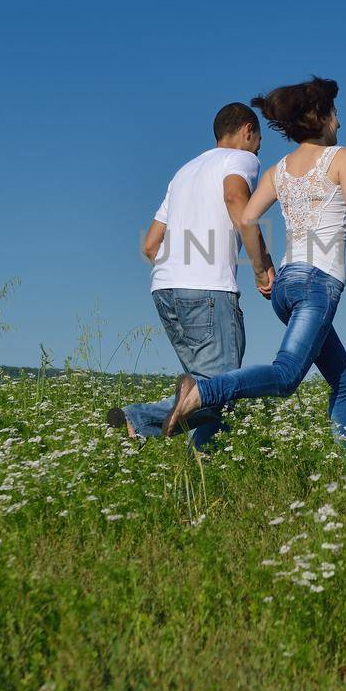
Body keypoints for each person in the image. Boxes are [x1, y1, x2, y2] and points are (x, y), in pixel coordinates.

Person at [163, 76, 346, 441]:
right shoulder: (344, 159)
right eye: (336, 113)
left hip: (286, 289)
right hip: (317, 285)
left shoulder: (278, 169)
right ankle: (201, 393)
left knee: (344, 380)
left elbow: (247, 218)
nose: (340, 122)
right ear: (323, 117)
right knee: (286, 375)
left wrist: (263, 273)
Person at [108, 102, 274, 450]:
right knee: (219, 392)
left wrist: (179, 269)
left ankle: (204, 469)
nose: (259, 147)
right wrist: (261, 269)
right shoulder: (241, 159)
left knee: (203, 387)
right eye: (259, 139)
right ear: (247, 130)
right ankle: (138, 418)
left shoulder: (183, 173)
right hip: (208, 289)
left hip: (165, 289)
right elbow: (236, 201)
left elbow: (151, 244)